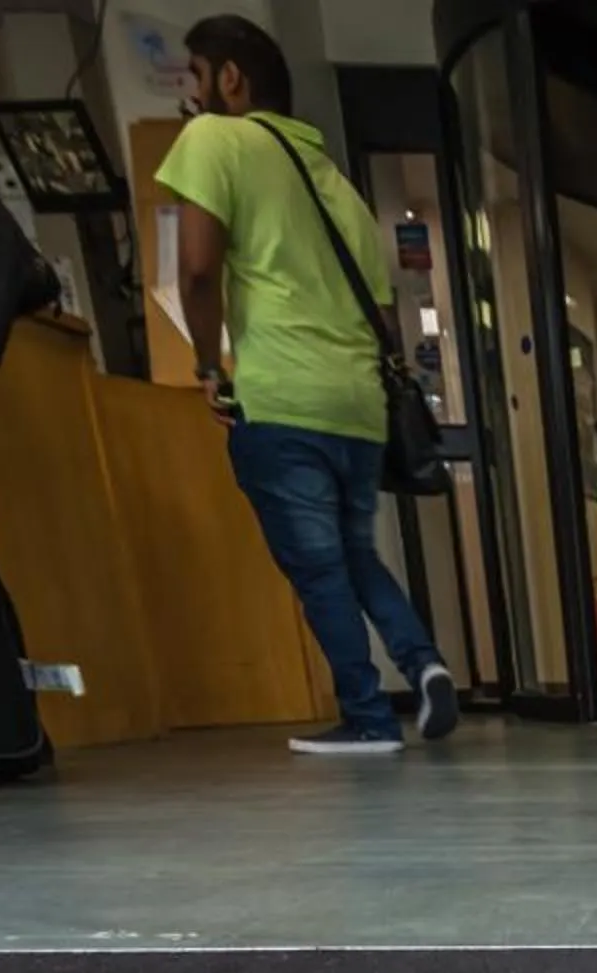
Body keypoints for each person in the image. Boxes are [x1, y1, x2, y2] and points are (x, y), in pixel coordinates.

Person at [157, 14, 457, 757]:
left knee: (316, 563)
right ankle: (424, 663)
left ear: (229, 78)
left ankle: (367, 716)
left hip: (283, 392)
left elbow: (196, 268)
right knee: (356, 551)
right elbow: (382, 310)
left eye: (195, 75)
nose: (191, 95)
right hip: (357, 402)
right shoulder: (336, 182)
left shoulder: (212, 141)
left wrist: (205, 365)